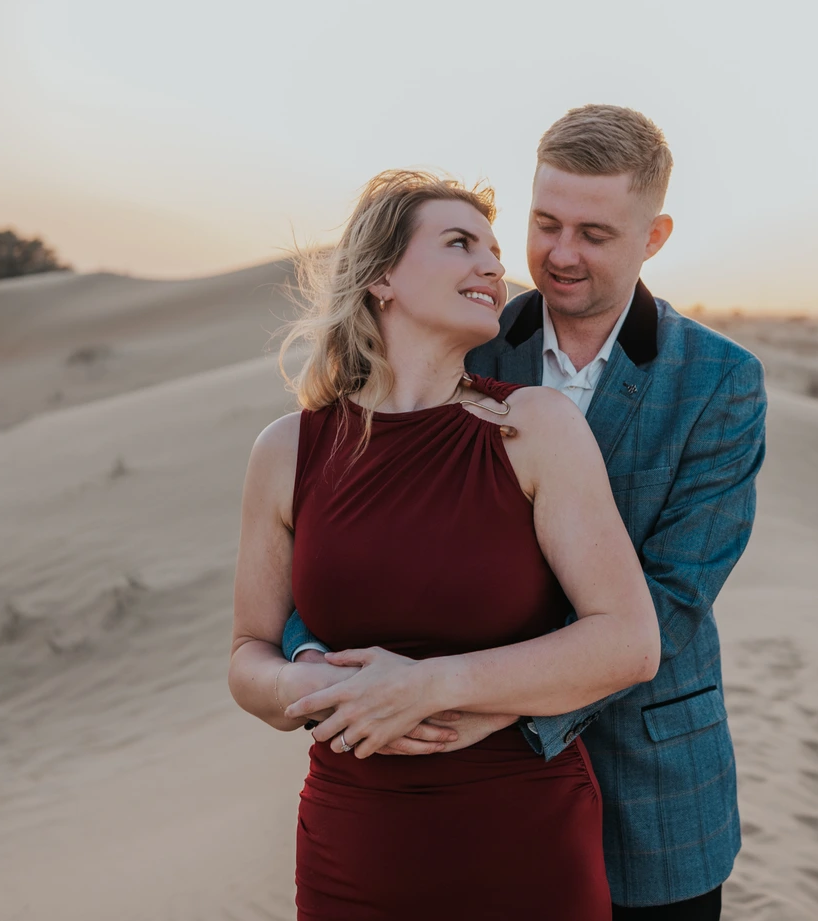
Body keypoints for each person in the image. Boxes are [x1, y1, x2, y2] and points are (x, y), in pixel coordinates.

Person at [281, 105, 768, 920]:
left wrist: (484, 706)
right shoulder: (465, 337)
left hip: (652, 791)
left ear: (655, 235)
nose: (560, 254)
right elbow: (350, 525)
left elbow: (673, 598)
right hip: (476, 805)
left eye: (595, 233)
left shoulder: (720, 381)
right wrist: (324, 664)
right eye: (545, 223)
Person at [228, 168, 661, 920]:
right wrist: (306, 688)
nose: (493, 266)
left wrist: (431, 684)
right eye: (460, 243)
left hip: (520, 840)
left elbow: (628, 641)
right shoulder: (287, 449)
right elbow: (247, 653)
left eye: (494, 251)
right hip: (351, 845)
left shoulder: (535, 426)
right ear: (382, 277)